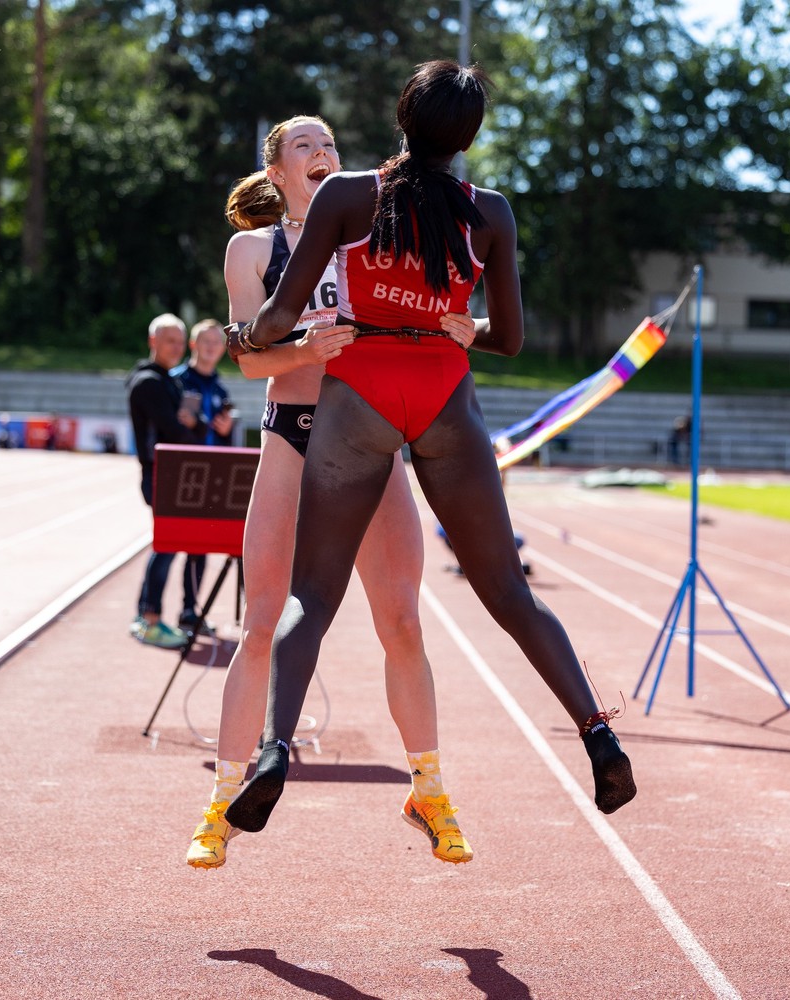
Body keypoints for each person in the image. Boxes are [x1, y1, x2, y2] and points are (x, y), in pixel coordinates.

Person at [221, 62, 636, 839]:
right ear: (469, 137)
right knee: (508, 590)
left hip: (362, 395)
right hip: (445, 396)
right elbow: (509, 339)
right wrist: (465, 327)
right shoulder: (493, 212)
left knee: (312, 598)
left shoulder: (348, 193)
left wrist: (242, 339)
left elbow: (279, 318)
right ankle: (597, 733)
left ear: (401, 116)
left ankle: (275, 753)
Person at [185, 114, 474, 870]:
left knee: (403, 619)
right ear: (277, 171)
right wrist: (303, 348)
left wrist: (463, 325)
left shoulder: (373, 236)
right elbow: (249, 364)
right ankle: (220, 802)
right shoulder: (252, 249)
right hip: (291, 431)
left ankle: (430, 793)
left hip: (369, 436)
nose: (324, 154)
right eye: (305, 147)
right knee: (260, 619)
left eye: (331, 145)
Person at [126, 313, 195, 650]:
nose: (177, 348)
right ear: (153, 341)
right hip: (159, 473)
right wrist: (186, 424)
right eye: (170, 341)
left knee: (168, 545)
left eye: (181, 342)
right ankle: (149, 619)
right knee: (166, 546)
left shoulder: (168, 379)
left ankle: (147, 616)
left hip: (171, 473)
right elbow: (174, 430)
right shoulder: (148, 382)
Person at [172, 319, 238, 633]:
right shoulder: (176, 381)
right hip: (181, 472)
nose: (212, 347)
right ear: (194, 345)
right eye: (206, 341)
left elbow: (222, 436)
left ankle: (190, 612)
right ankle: (149, 613)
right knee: (167, 546)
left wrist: (228, 431)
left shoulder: (221, 388)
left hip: (212, 473)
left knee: (200, 546)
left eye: (218, 342)